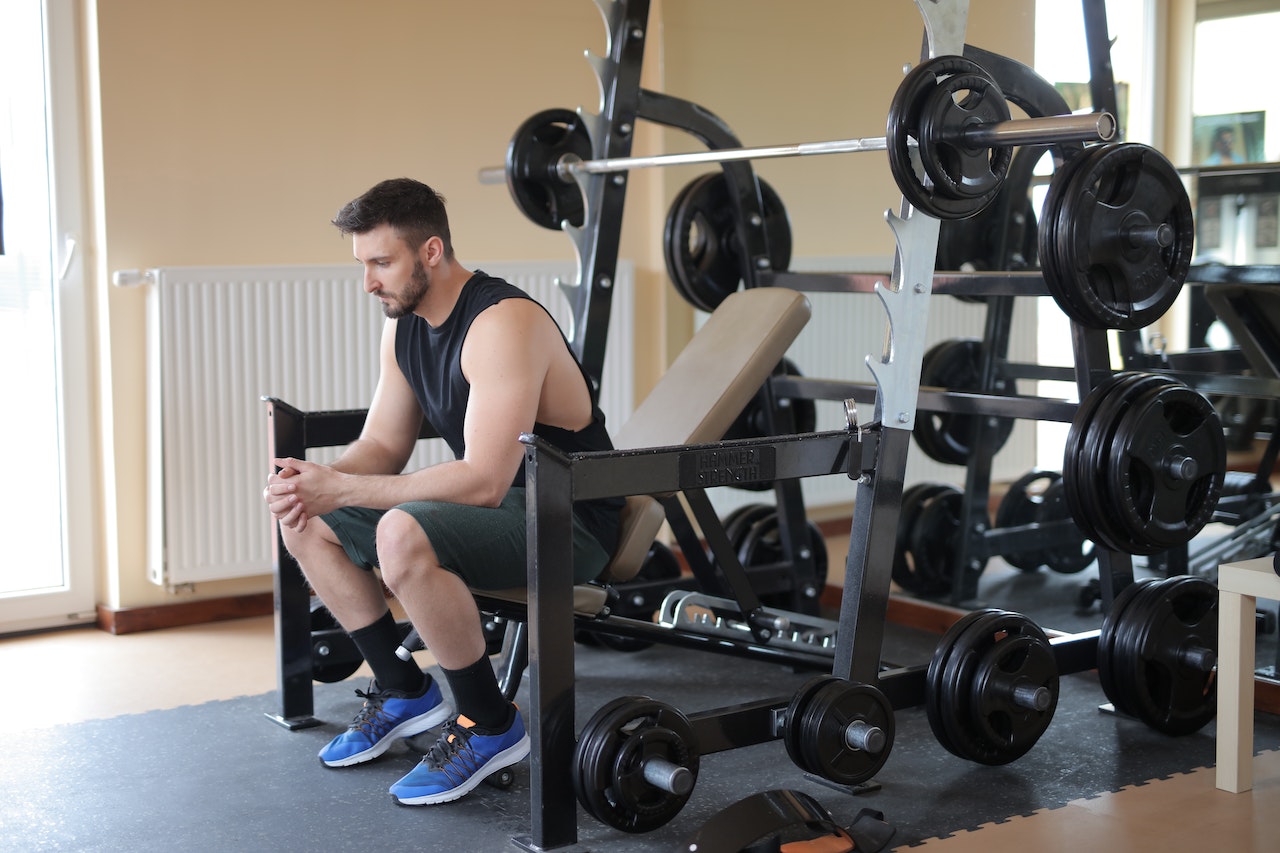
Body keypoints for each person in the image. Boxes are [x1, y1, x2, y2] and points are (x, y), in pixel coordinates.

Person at [262, 177, 623, 805]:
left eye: (381, 263)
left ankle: (490, 723)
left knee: (398, 529)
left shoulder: (503, 322)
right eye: (363, 264)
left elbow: (485, 479)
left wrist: (347, 486)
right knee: (304, 518)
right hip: (500, 506)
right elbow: (382, 445)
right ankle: (404, 689)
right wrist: (317, 484)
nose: (369, 282)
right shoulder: (403, 329)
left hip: (566, 513)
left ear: (431, 251)